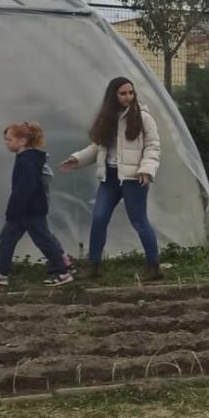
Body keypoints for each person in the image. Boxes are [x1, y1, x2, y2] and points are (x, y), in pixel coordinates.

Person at [59, 76, 162, 280]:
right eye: (123, 93)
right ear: (113, 96)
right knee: (99, 217)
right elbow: (97, 146)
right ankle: (94, 265)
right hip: (110, 178)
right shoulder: (108, 118)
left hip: (134, 179)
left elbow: (153, 145)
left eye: (131, 93)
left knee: (139, 221)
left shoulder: (143, 117)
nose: (128, 97)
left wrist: (146, 170)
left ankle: (154, 267)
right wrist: (77, 159)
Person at [0, 122, 74, 288]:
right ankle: (1, 272)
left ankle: (61, 272)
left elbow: (25, 188)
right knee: (8, 237)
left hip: (29, 210)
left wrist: (13, 209)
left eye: (9, 139)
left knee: (43, 240)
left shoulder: (26, 161)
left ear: (22, 141)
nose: (6, 143)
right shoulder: (29, 158)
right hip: (28, 209)